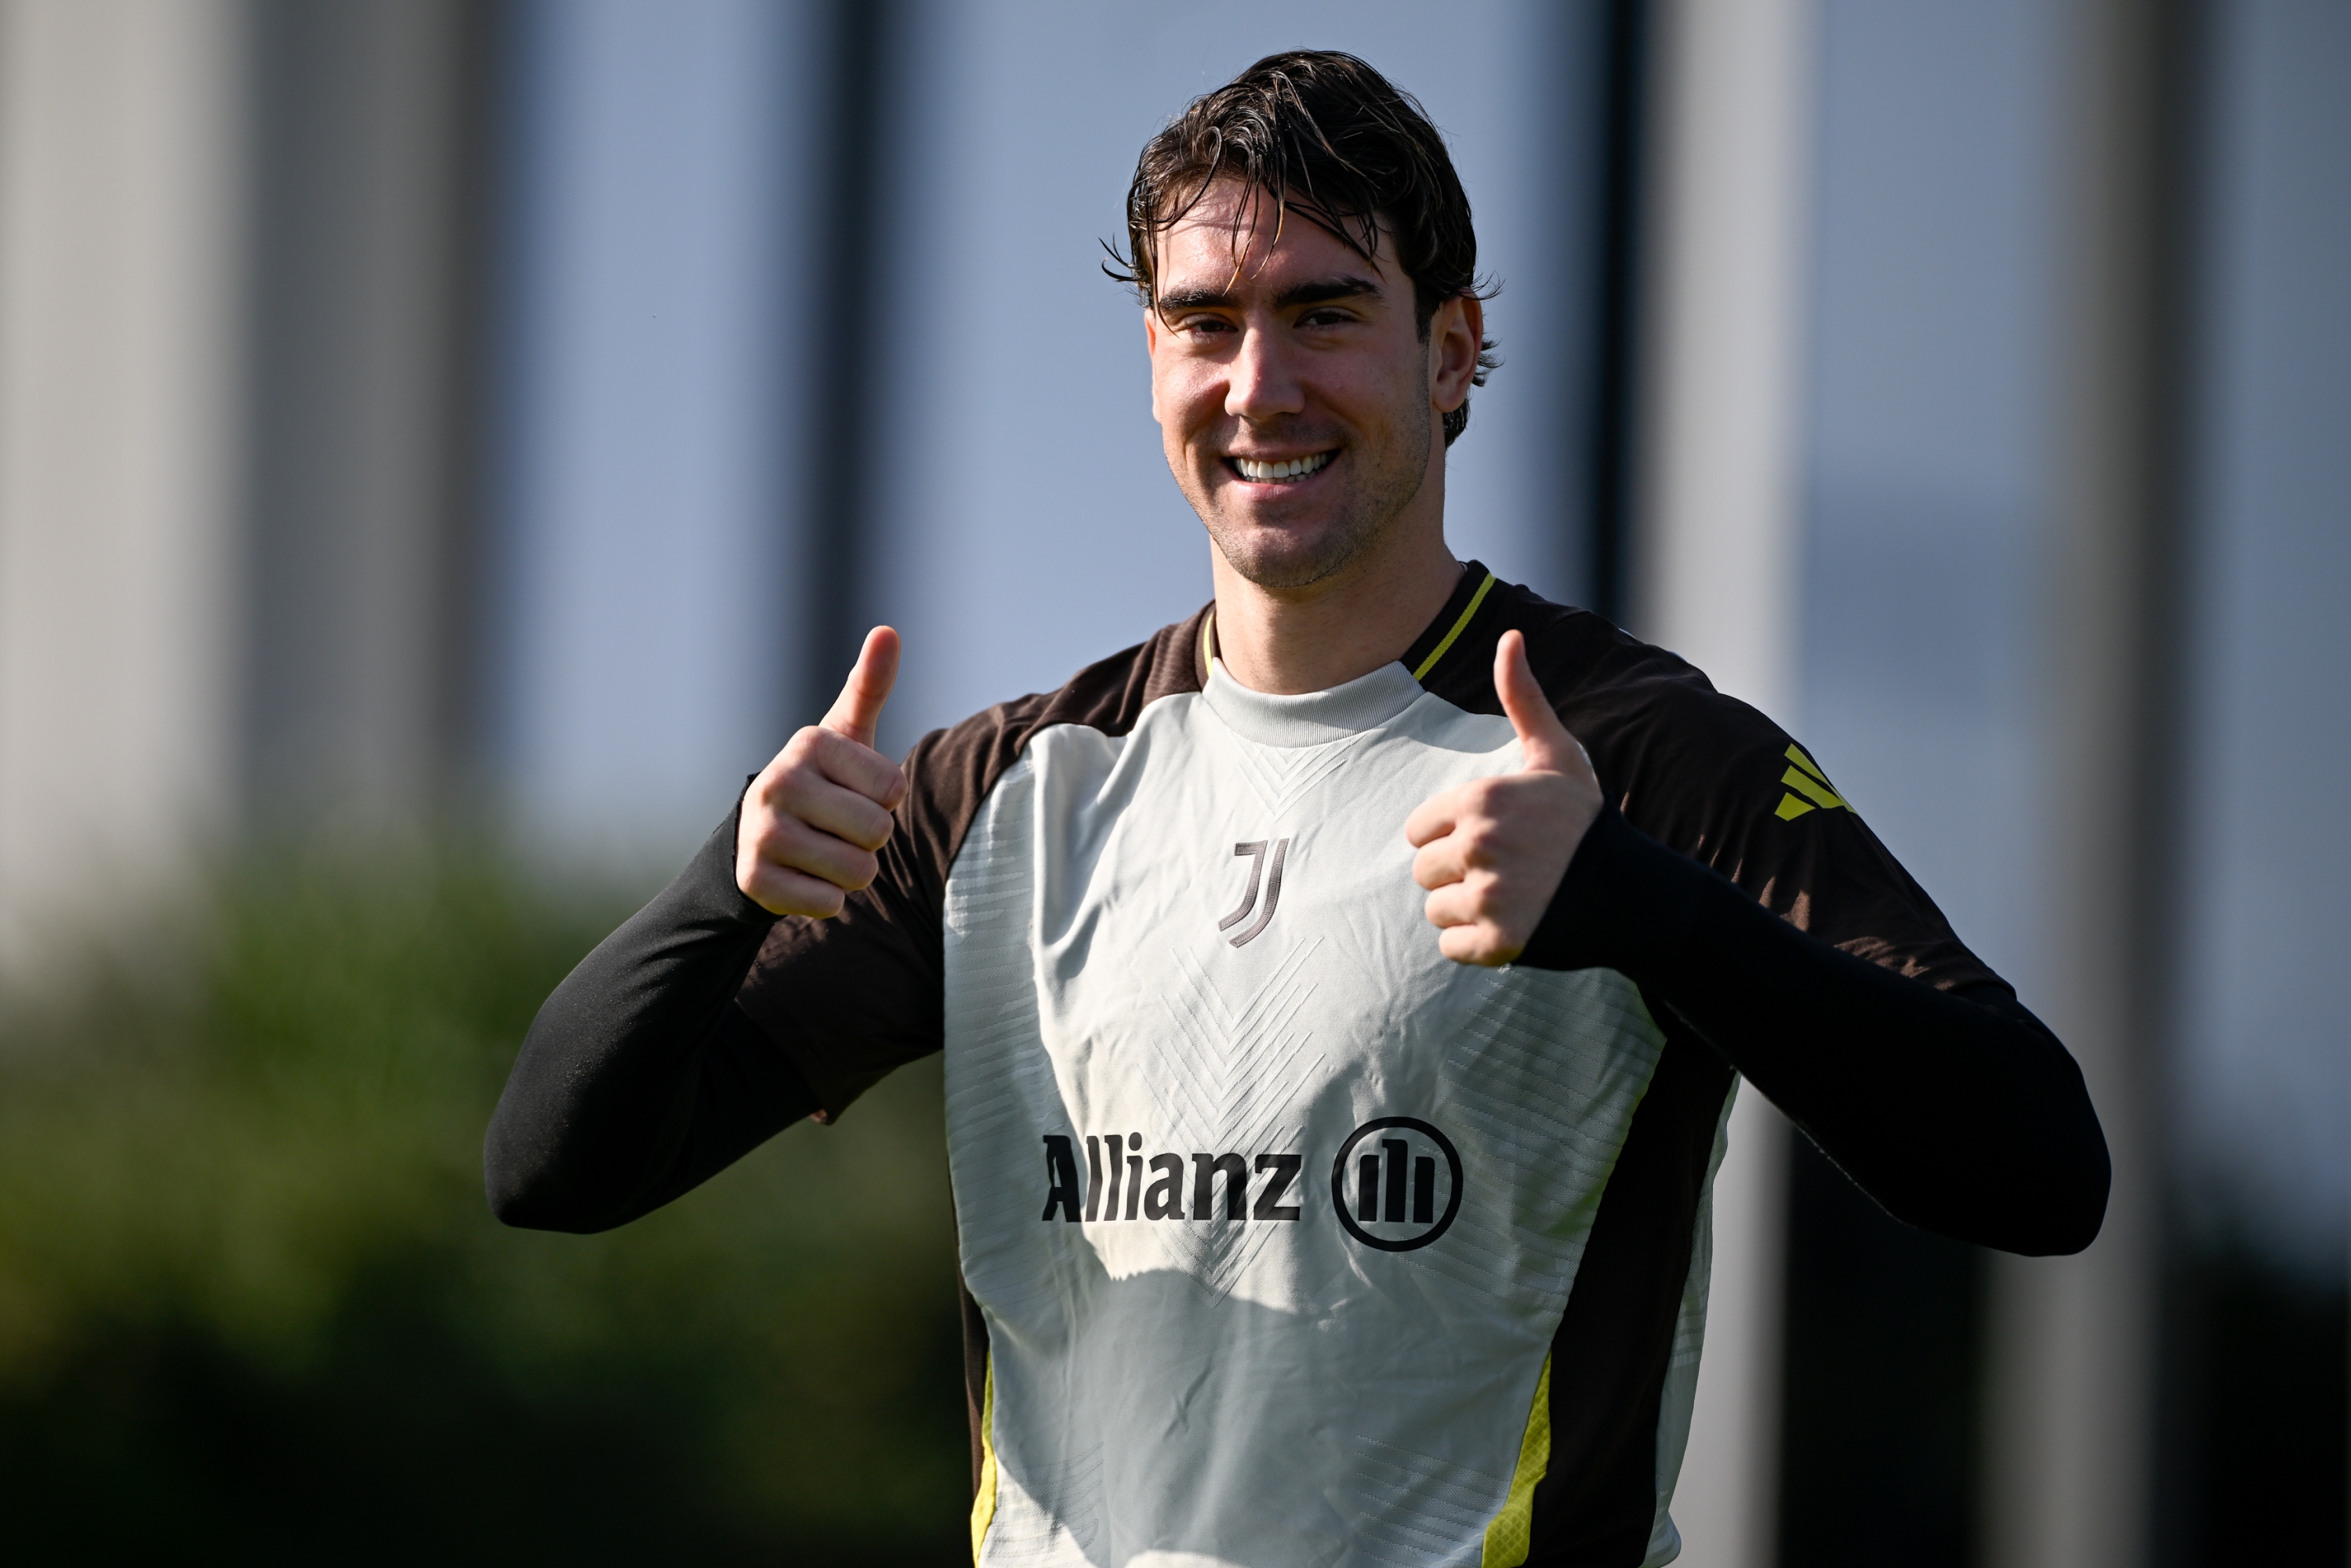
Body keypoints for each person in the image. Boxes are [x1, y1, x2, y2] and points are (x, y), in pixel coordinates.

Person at [486, 50, 2107, 1567]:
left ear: (1453, 347)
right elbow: (557, 1165)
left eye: (1325, 312)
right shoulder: (1009, 790)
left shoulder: (1632, 756)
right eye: (1206, 321)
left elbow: (2039, 1164)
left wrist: (1646, 909)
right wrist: (726, 890)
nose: (1260, 384)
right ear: (1153, 359)